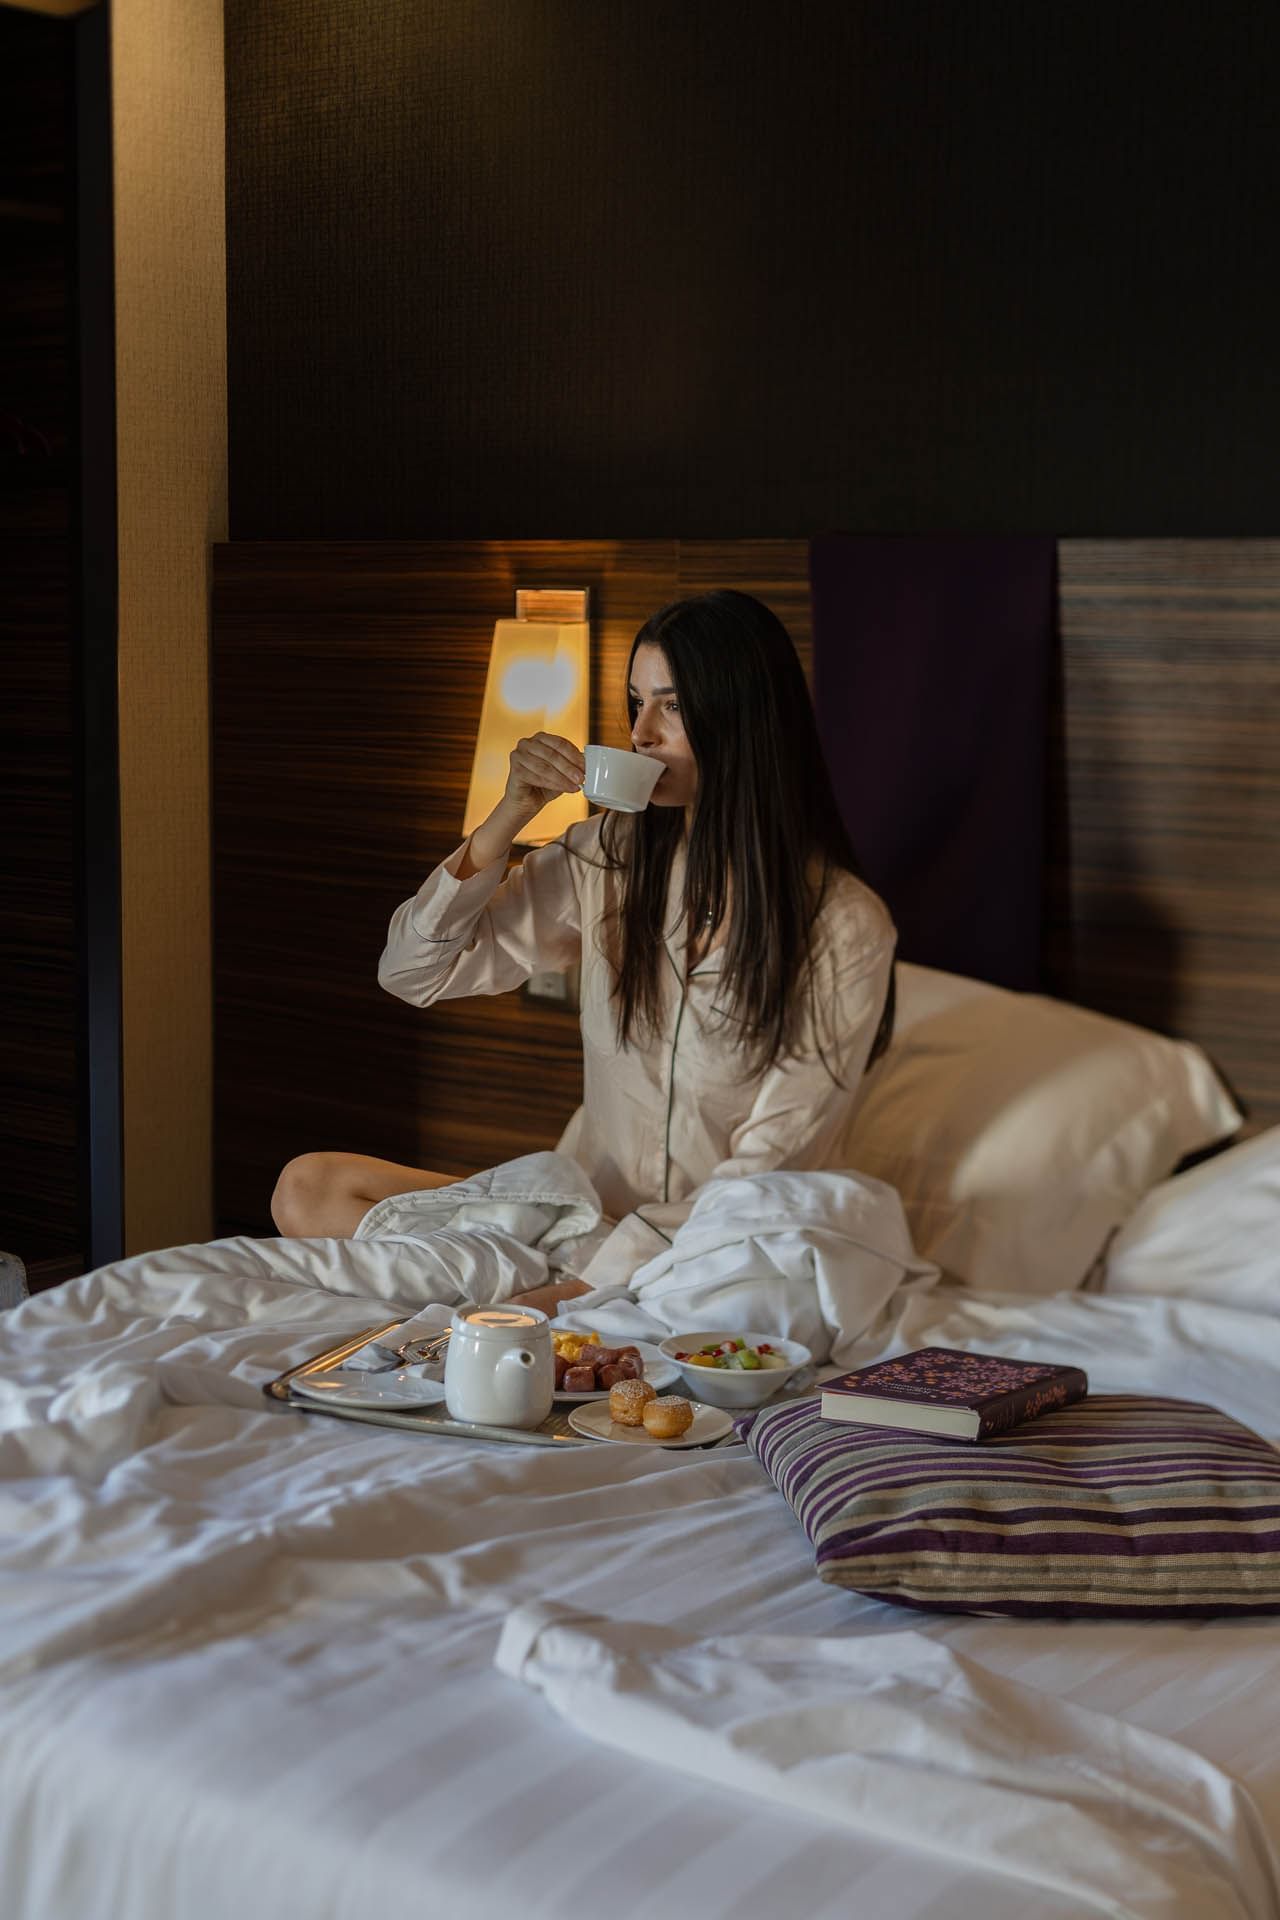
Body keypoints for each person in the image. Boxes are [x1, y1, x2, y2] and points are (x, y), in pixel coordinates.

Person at [270, 589, 897, 1313]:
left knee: (745, 1296)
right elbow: (413, 973)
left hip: (725, 1251)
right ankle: (531, 1295)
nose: (641, 733)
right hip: (578, 1222)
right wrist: (509, 814)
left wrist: (578, 1294)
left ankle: (533, 1299)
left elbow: (764, 1169)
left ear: (748, 718)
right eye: (635, 702)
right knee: (309, 1189)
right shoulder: (607, 857)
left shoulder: (843, 925)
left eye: (673, 705)